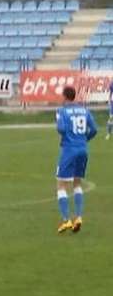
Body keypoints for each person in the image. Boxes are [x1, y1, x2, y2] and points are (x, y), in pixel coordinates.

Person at [54, 86, 97, 235]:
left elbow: (61, 129)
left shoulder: (62, 111)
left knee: (61, 184)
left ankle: (66, 220)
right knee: (77, 183)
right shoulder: (84, 110)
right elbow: (95, 129)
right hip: (82, 150)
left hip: (69, 150)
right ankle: (78, 217)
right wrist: (84, 139)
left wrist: (63, 132)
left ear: (65, 96)